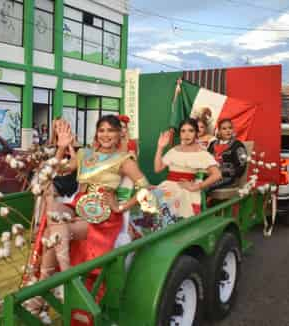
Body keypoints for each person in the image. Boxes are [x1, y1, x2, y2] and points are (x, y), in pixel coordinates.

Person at [25, 115, 150, 313]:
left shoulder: (124, 160)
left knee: (53, 233)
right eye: (102, 130)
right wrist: (60, 148)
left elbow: (145, 188)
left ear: (119, 134)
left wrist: (121, 207)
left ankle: (48, 288)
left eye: (111, 130)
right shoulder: (84, 154)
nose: (105, 135)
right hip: (77, 205)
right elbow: (55, 172)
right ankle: (66, 278)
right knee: (54, 214)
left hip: (102, 217)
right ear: (96, 133)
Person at [154, 118, 222, 217]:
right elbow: (158, 168)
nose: (186, 134)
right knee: (149, 200)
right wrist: (160, 147)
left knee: (167, 204)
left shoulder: (201, 153)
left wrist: (197, 186)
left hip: (185, 190)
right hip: (168, 186)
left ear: (196, 133)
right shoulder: (174, 151)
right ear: (180, 134)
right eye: (183, 131)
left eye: (191, 131)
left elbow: (217, 175)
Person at [208, 119, 248, 192]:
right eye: (224, 128)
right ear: (219, 131)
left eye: (230, 128)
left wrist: (223, 173)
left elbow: (241, 167)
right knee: (192, 183)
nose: (228, 131)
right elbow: (205, 161)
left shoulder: (237, 145)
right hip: (210, 175)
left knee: (203, 186)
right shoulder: (212, 144)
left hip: (228, 178)